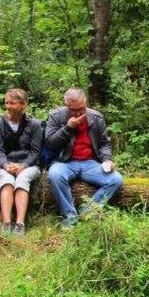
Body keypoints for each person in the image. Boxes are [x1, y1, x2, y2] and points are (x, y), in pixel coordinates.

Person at [44, 87, 124, 227]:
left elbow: (104, 143)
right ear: (66, 104)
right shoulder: (56, 116)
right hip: (64, 162)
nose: (77, 112)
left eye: (81, 108)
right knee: (55, 175)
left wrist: (107, 159)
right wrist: (68, 128)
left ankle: (87, 212)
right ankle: (70, 217)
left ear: (85, 102)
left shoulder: (96, 117)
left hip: (90, 163)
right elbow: (50, 143)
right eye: (72, 109)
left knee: (116, 179)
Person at [0, 88, 45, 235]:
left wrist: (23, 166)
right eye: (7, 103)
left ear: (23, 105)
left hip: (28, 164)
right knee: (7, 181)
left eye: (13, 103)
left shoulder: (34, 124)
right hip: (6, 163)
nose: (8, 106)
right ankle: (7, 222)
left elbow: (36, 151)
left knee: (22, 180)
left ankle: (20, 223)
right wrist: (5, 165)